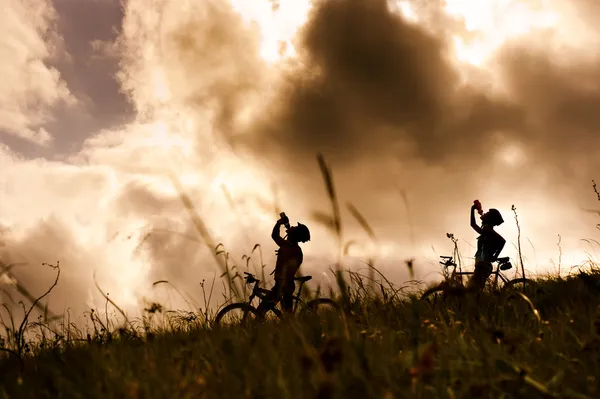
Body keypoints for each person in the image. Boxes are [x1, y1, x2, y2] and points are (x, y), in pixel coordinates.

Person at [257, 213, 311, 315]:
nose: (292, 227)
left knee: (263, 312)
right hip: (282, 285)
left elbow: (289, 271)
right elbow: (275, 236)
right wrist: (279, 223)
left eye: (294, 228)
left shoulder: (293, 250)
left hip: (284, 287)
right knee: (265, 311)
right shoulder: (288, 246)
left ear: (295, 234)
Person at [468, 203, 506, 292]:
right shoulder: (485, 230)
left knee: (473, 290)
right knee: (475, 290)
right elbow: (473, 224)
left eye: (488, 213)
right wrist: (472, 209)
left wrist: (495, 256)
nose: (484, 213)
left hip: (484, 265)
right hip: (482, 264)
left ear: (490, 218)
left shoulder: (487, 230)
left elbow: (502, 241)